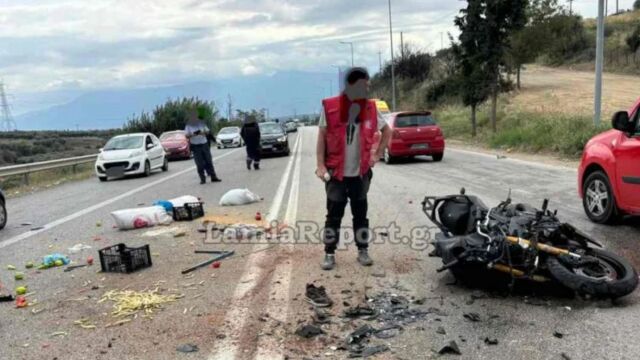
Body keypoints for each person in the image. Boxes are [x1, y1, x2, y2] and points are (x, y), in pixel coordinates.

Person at [315, 67, 391, 271]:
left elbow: (387, 131)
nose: (367, 89)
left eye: (368, 86)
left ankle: (362, 251)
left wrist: (376, 155)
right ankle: (329, 253)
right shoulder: (331, 107)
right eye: (364, 86)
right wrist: (320, 165)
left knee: (361, 215)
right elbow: (322, 136)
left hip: (360, 175)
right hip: (336, 174)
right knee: (333, 216)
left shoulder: (370, 108)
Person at [185, 110, 221, 184]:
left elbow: (208, 131)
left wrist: (202, 132)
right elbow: (186, 135)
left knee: (209, 161)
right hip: (195, 146)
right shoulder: (188, 125)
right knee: (199, 163)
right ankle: (202, 179)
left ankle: (213, 177)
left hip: (204, 144)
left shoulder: (201, 123)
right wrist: (193, 134)